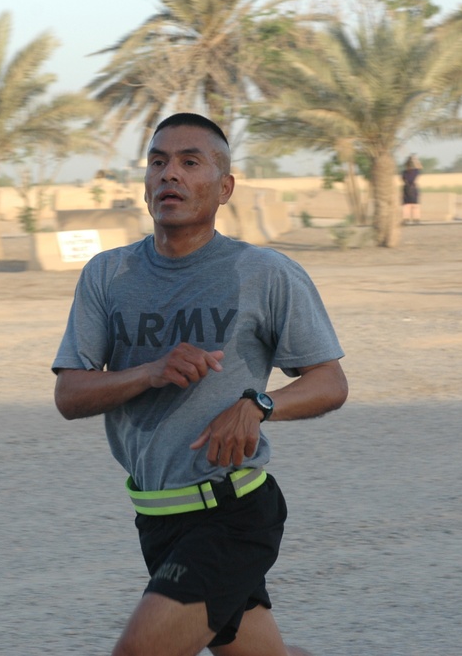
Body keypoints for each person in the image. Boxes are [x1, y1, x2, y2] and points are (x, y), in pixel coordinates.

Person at [52, 112, 348, 656]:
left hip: (232, 514)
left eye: (191, 162)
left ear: (225, 186)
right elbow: (69, 395)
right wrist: (150, 370)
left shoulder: (264, 272)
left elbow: (330, 381)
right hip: (156, 517)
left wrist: (257, 405)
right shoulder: (106, 274)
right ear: (145, 183)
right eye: (158, 162)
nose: (171, 175)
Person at [401, 155, 422, 225]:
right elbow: (420, 167)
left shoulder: (404, 172)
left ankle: (405, 219)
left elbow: (402, 180)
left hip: (406, 188)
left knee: (406, 205)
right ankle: (416, 219)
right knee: (415, 205)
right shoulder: (415, 172)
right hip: (413, 188)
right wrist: (416, 160)